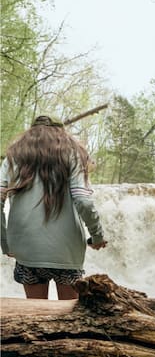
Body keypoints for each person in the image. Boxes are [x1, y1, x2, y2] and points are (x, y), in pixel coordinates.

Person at [0, 115, 107, 300]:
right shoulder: (73, 154)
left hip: (27, 250)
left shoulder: (13, 157)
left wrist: (5, 242)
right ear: (62, 133)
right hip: (66, 251)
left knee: (38, 320)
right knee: (69, 321)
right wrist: (96, 236)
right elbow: (83, 200)